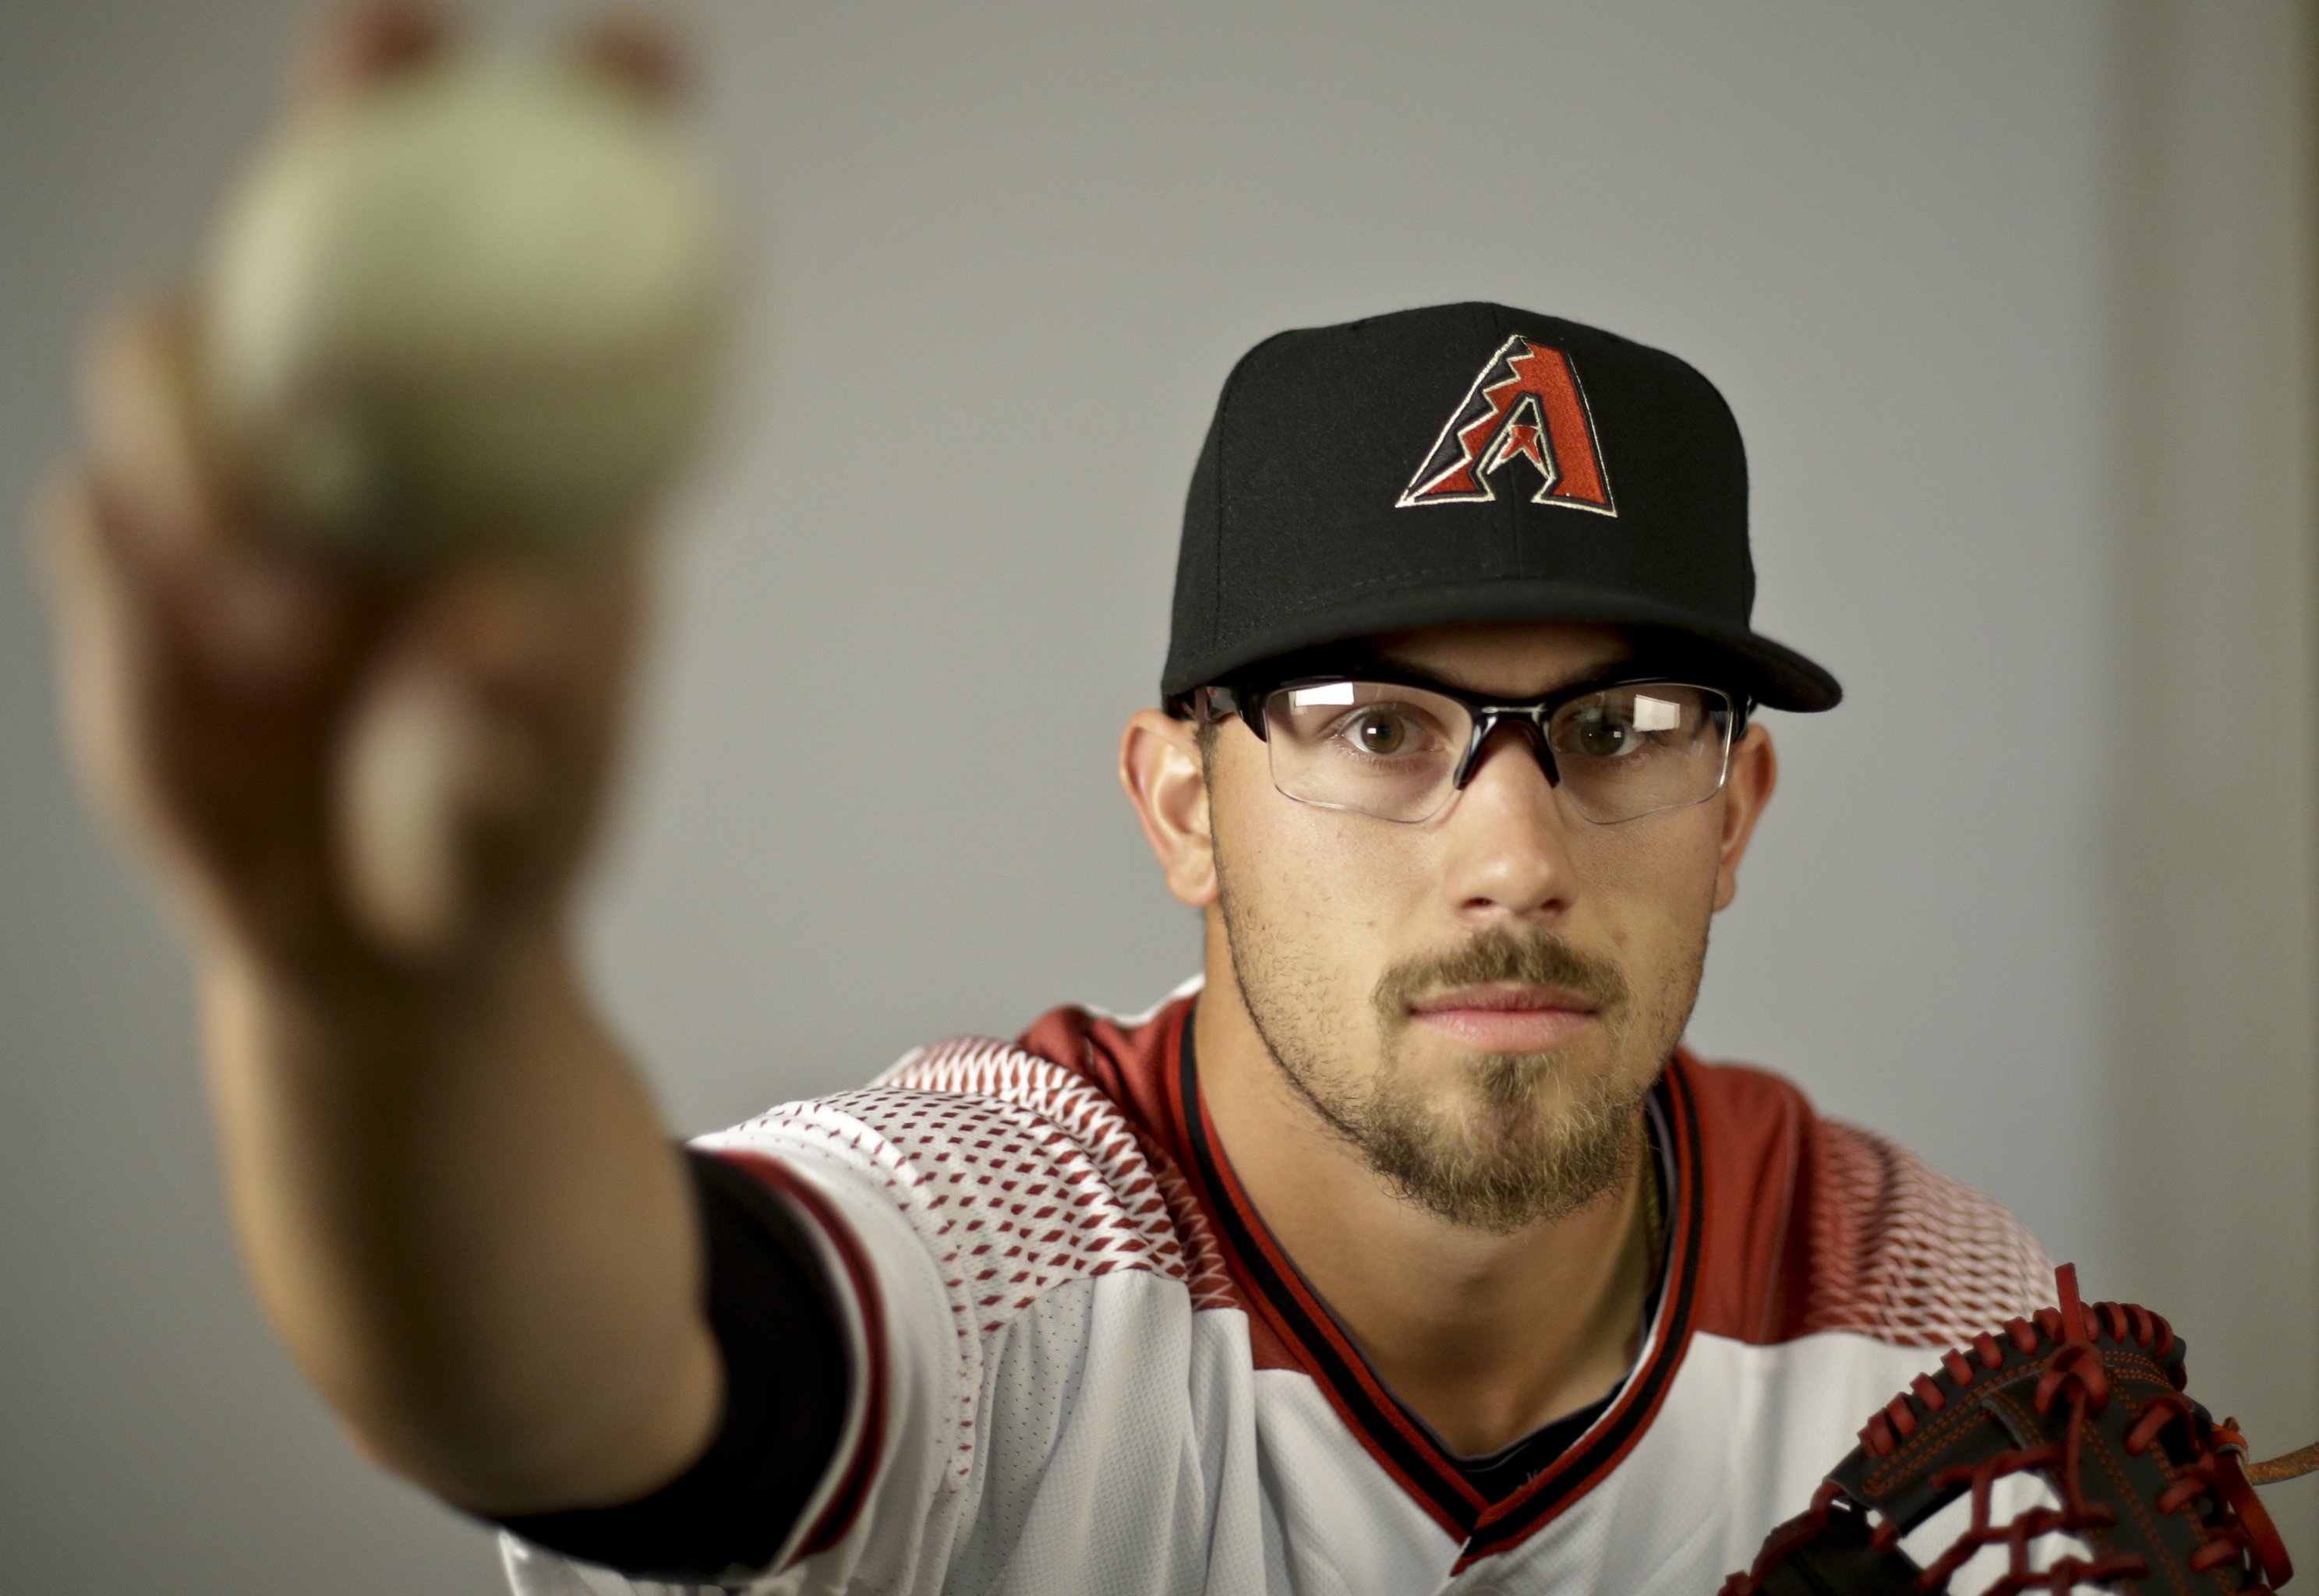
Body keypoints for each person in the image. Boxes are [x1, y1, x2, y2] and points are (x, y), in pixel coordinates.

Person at [40, 15, 2054, 1593]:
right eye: (1372, 725)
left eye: (1622, 729)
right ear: (1182, 802)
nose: (1514, 853)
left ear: (1738, 808)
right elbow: (576, 1384)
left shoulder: (1940, 1332)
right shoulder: (1008, 1235)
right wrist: (388, 990)